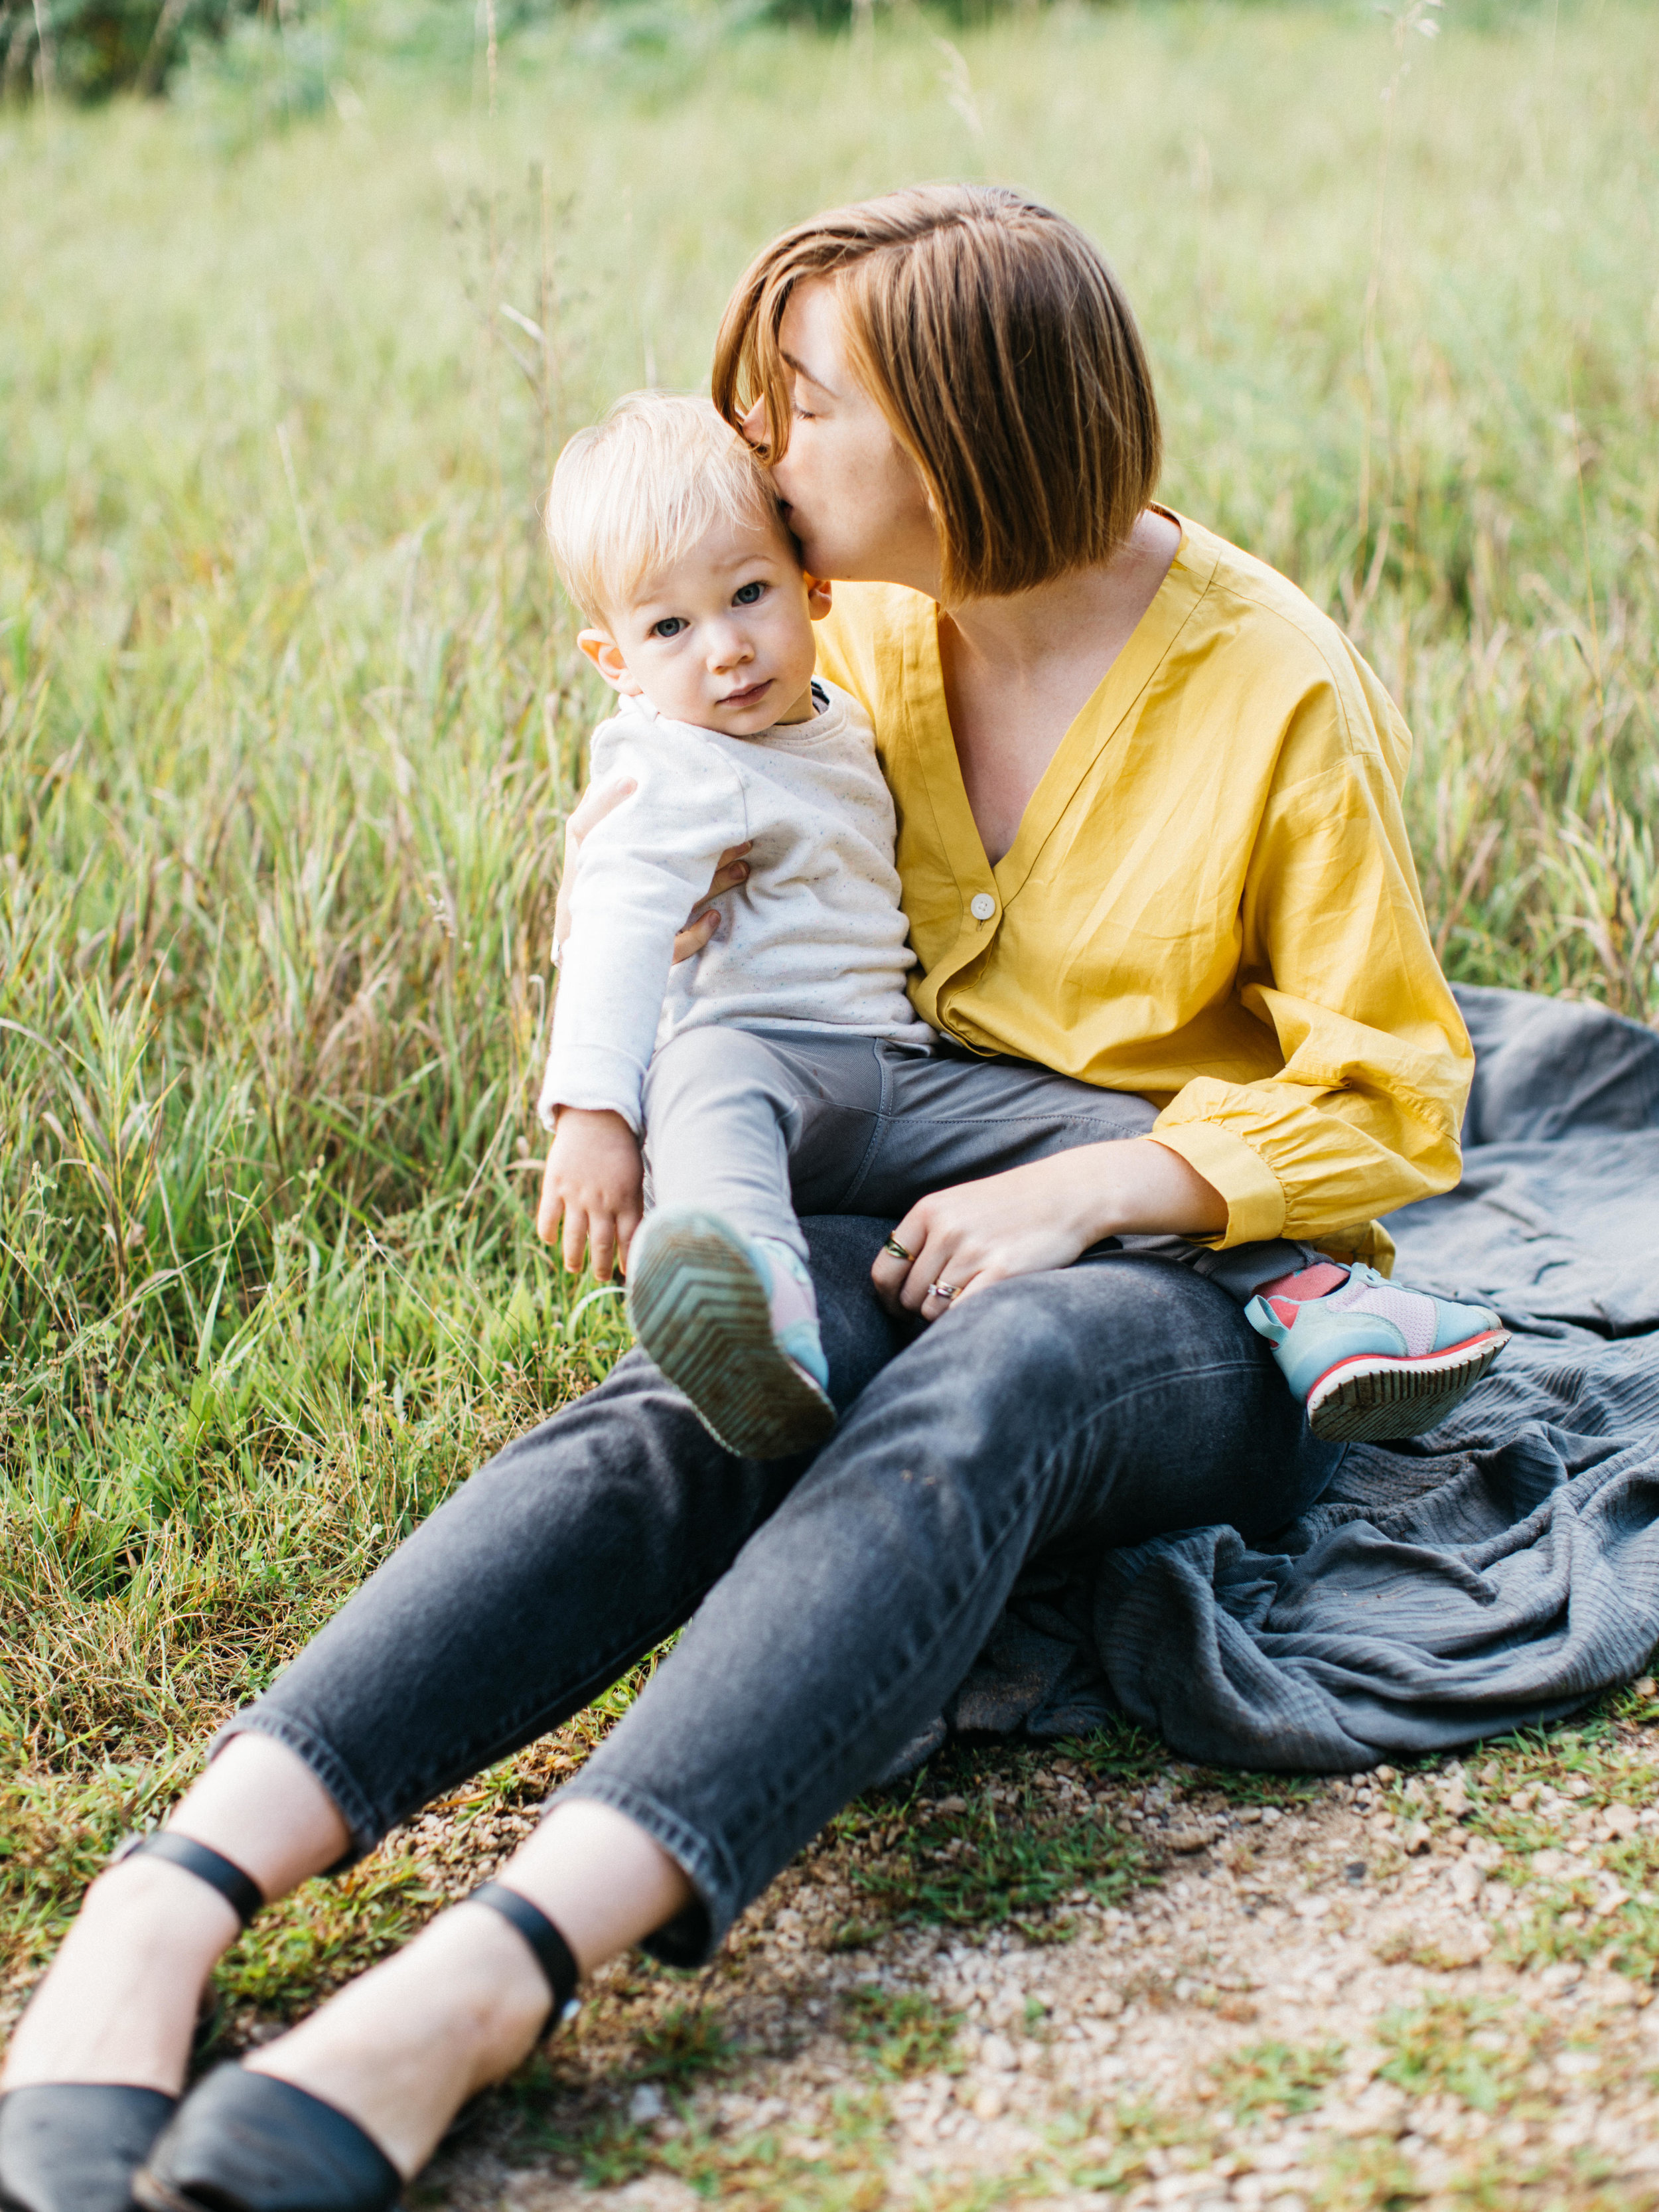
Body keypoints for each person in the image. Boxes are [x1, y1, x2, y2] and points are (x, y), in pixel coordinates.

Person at [0, 185, 1494, 2212]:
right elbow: (689, 840)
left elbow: (1399, 1089)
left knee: (993, 1386)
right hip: (882, 1184)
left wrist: (1093, 1182)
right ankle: (173, 1894)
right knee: (697, 1401)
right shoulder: (824, 620)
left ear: (955, 433)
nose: (758, 444)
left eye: (801, 404)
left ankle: (492, 1970)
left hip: (1179, 1288)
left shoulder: (1272, 688)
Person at [540, 400, 1504, 1459]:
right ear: (612, 659)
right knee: (710, 1074)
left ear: (815, 588)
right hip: (768, 1078)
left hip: (897, 1075)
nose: (724, 649)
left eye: (749, 594)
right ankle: (749, 1303)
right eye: (670, 628)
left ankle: (1315, 1296)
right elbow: (618, 924)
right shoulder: (670, 764)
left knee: (1111, 1127)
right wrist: (593, 1112)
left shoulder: (835, 705)